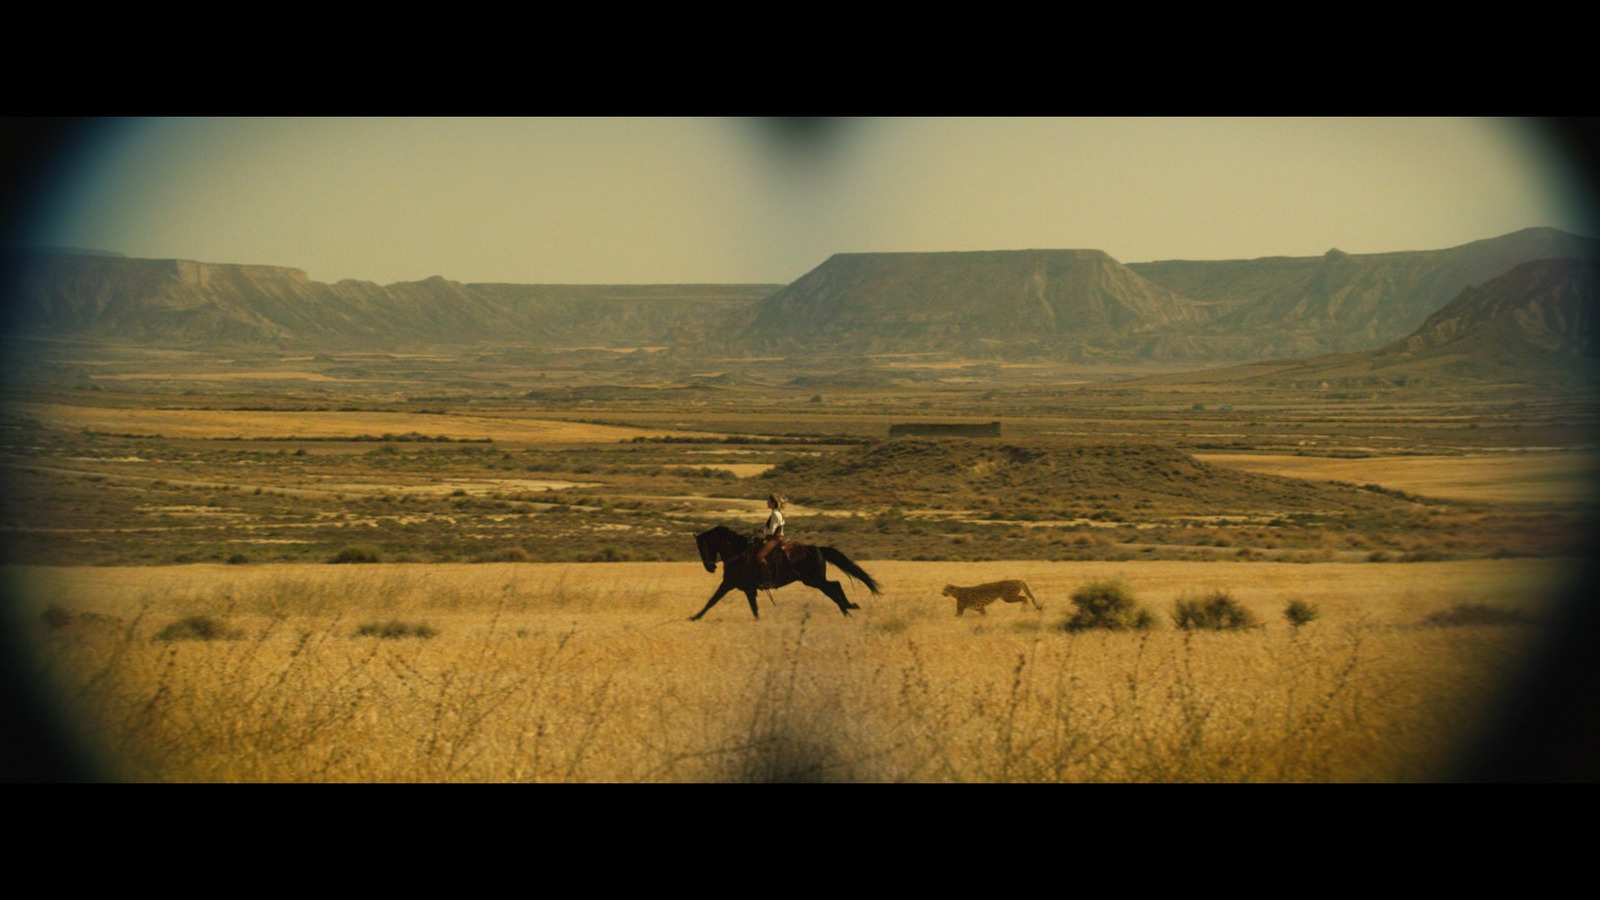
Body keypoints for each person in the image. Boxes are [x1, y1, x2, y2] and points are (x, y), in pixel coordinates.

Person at [755, 494, 786, 583]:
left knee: (759, 555)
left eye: (768, 501)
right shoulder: (775, 513)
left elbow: (772, 531)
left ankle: (767, 579)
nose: (767, 502)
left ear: (773, 503)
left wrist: (761, 532)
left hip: (775, 539)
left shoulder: (775, 514)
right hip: (774, 537)